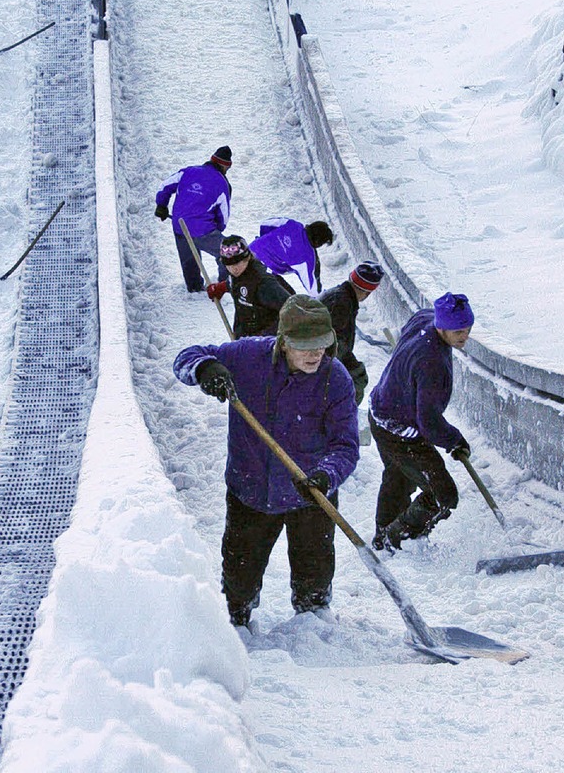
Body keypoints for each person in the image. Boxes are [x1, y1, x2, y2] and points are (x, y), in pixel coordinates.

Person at [173, 294, 359, 629]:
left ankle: (313, 622)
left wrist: (325, 476)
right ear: (284, 341)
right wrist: (205, 368)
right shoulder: (249, 357)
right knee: (239, 577)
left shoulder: (336, 379)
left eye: (321, 344)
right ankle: (235, 620)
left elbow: (345, 446)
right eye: (306, 345)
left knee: (314, 573)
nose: (316, 353)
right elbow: (186, 358)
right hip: (251, 489)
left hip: (310, 493)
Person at [368, 292, 475, 553]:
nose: (464, 336)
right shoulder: (432, 362)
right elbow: (428, 421)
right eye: (458, 331)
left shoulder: (425, 319)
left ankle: (384, 537)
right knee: (443, 495)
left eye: (468, 329)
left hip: (381, 413)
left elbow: (414, 321)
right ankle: (399, 539)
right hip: (400, 431)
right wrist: (454, 440)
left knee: (398, 478)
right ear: (442, 326)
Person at [155, 145, 233, 291]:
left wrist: (162, 205)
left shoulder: (188, 171)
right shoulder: (223, 184)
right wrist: (216, 228)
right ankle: (225, 285)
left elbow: (164, 186)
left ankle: (194, 287)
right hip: (204, 230)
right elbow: (224, 215)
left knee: (189, 259)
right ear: (224, 166)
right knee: (225, 252)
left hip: (179, 225)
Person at [319, 260, 385, 404]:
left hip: (324, 357)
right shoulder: (341, 303)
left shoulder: (341, 296)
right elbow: (333, 342)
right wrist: (351, 365)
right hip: (323, 360)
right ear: (367, 292)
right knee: (357, 380)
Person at [206, 235, 295, 339]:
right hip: (245, 336)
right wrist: (222, 287)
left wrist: (266, 336)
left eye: (237, 263)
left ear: (247, 258)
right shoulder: (239, 274)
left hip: (265, 343)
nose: (233, 269)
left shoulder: (264, 283)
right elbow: (239, 284)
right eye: (229, 265)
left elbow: (291, 311)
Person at [248, 217, 333, 295]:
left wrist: (268, 241)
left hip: (251, 250)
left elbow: (266, 223)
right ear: (318, 242)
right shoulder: (306, 257)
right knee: (289, 298)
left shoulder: (292, 224)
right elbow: (312, 288)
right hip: (261, 271)